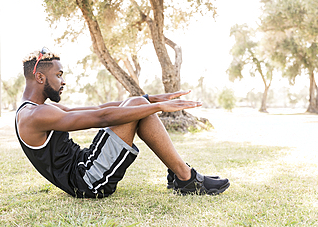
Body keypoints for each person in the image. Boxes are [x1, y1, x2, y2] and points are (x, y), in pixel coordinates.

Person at [15, 48, 230, 198]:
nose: (63, 81)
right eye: (59, 75)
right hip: (87, 181)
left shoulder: (36, 110)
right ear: (41, 78)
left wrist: (152, 99)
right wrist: (156, 108)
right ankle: (186, 178)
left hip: (85, 166)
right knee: (137, 108)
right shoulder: (34, 116)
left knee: (137, 104)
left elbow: (99, 109)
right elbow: (100, 118)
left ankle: (182, 175)